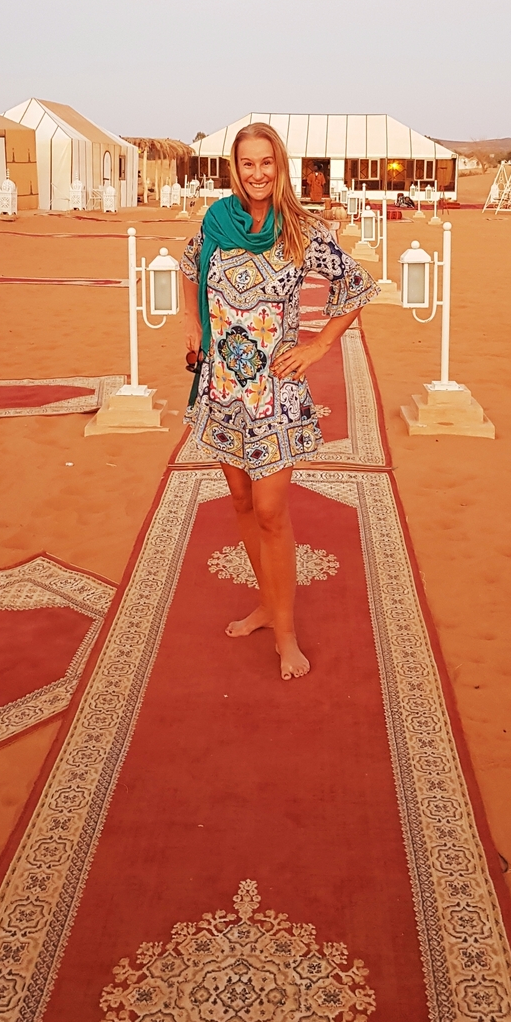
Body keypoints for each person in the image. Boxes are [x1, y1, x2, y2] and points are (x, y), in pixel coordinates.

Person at [181, 123, 378, 681]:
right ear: (234, 167)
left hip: (275, 393)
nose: (258, 173)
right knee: (241, 504)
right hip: (223, 391)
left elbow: (355, 286)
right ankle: (267, 605)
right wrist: (194, 325)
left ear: (281, 165)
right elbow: (190, 270)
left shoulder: (301, 230)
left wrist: (318, 345)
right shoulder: (217, 222)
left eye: (267, 163)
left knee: (270, 512)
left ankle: (285, 633)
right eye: (248, 164)